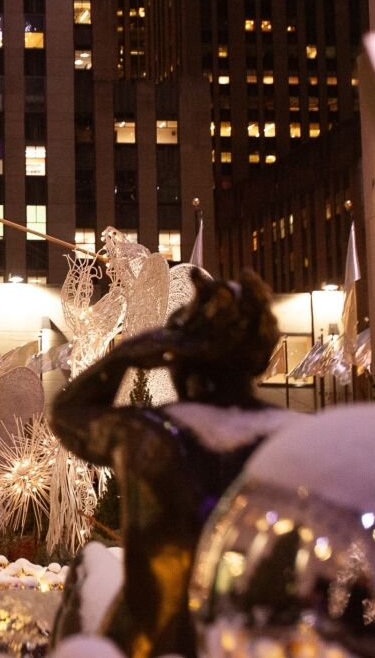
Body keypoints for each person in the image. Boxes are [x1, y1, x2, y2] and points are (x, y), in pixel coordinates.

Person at [50, 270, 286, 657]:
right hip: (254, 647)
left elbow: (67, 412)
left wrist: (125, 355)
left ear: (178, 355)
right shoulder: (294, 439)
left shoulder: (150, 436)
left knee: (87, 580)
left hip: (148, 646)